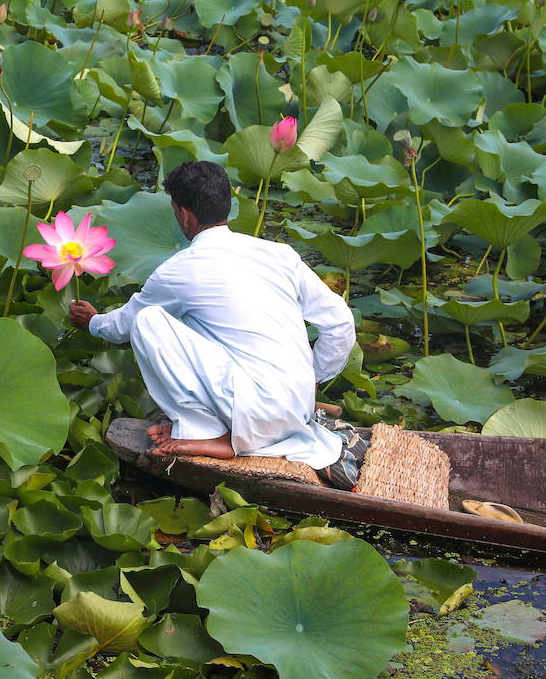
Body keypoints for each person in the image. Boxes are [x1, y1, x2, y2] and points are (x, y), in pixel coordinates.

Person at [68, 160, 367, 489]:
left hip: (258, 414)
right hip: (298, 409)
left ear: (184, 215)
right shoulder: (281, 254)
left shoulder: (180, 269)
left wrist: (93, 321)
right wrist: (311, 380)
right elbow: (340, 322)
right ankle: (217, 425)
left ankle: (208, 433)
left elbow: (123, 325)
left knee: (149, 319)